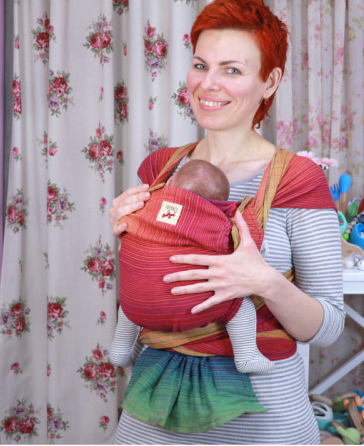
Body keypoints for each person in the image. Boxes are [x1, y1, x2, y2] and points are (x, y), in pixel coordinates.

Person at [109, 0, 344, 444]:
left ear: (269, 81)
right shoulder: (159, 170)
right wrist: (131, 239)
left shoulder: (296, 178)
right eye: (201, 65)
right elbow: (150, 294)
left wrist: (264, 281)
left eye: (232, 70)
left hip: (265, 424)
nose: (208, 84)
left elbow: (328, 327)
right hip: (153, 419)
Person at [112, 158, 275, 374]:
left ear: (170, 183)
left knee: (130, 302)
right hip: (194, 308)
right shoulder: (222, 225)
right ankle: (247, 356)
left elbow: (124, 231)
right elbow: (251, 251)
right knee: (241, 305)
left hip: (137, 307)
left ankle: (120, 348)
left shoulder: (143, 206)